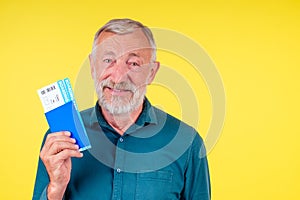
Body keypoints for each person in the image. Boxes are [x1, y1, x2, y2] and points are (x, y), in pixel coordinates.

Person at [32, 18, 211, 200]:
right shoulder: (61, 139)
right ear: (93, 67)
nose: (118, 77)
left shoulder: (187, 142)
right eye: (108, 60)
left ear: (152, 72)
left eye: (133, 63)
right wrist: (56, 188)